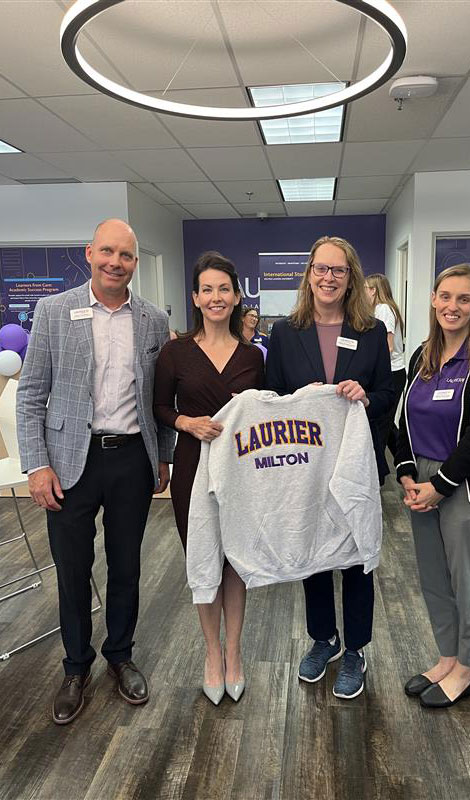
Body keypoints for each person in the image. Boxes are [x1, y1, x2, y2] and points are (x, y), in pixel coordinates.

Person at [16, 219, 175, 725]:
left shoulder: (152, 319)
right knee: (72, 571)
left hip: (131, 458)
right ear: (89, 253)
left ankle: (121, 655)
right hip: (68, 461)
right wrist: (37, 465)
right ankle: (75, 667)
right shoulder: (53, 311)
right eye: (107, 251)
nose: (115, 262)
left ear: (135, 262)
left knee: (126, 566)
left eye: (125, 255)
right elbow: (30, 396)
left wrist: (164, 456)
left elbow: (161, 398)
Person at [266, 235, 394, 699]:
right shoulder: (284, 333)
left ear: (350, 277)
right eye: (321, 269)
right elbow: (273, 399)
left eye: (338, 271)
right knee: (315, 555)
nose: (328, 278)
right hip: (306, 469)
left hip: (355, 468)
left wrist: (365, 395)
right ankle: (324, 639)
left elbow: (387, 396)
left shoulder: (371, 332)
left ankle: (356, 648)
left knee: (358, 555)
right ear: (309, 275)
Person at [396, 264, 470, 708]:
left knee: (468, 582)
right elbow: (404, 422)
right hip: (422, 482)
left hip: (465, 483)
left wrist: (440, 485)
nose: (453, 306)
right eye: (445, 296)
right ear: (433, 299)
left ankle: (467, 668)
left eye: (464, 299)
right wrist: (408, 472)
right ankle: (447, 657)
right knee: (434, 578)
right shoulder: (422, 356)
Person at [153, 251, 264, 705]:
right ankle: (211, 655)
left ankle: (234, 652)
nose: (216, 297)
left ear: (236, 296)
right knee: (203, 561)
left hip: (240, 472)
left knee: (235, 561)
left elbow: (266, 411)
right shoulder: (175, 352)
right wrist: (186, 423)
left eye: (224, 288)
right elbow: (160, 407)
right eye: (207, 289)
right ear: (196, 298)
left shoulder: (253, 355)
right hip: (193, 470)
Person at [365, 273, 406, 458]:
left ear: (373, 291)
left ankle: (376, 472)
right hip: (392, 371)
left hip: (392, 372)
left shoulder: (383, 309)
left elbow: (387, 346)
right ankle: (403, 463)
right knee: (387, 424)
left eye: (365, 288)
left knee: (382, 424)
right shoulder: (382, 309)